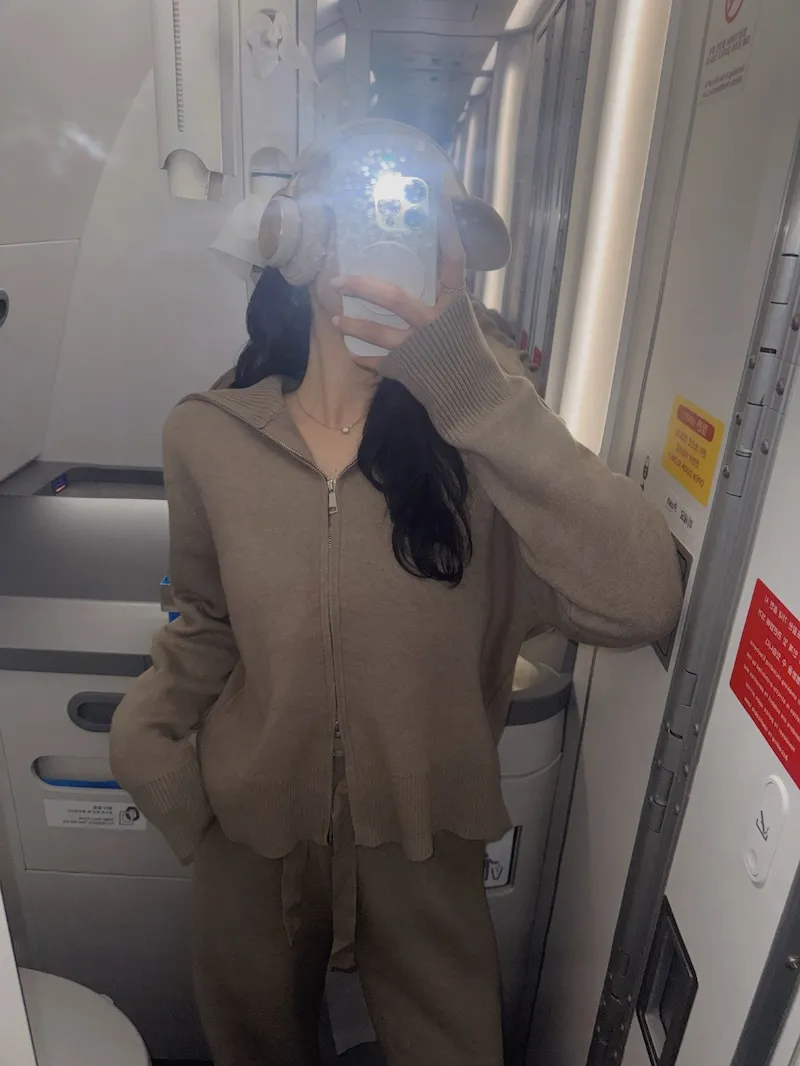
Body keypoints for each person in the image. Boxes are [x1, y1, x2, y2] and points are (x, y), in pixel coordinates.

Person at [110, 120, 683, 1066]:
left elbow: (642, 599)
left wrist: (472, 386)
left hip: (427, 844)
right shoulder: (208, 436)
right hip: (252, 839)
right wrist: (150, 742)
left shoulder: (485, 448)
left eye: (418, 221)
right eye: (365, 216)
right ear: (298, 244)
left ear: (452, 257)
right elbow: (204, 621)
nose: (389, 245)